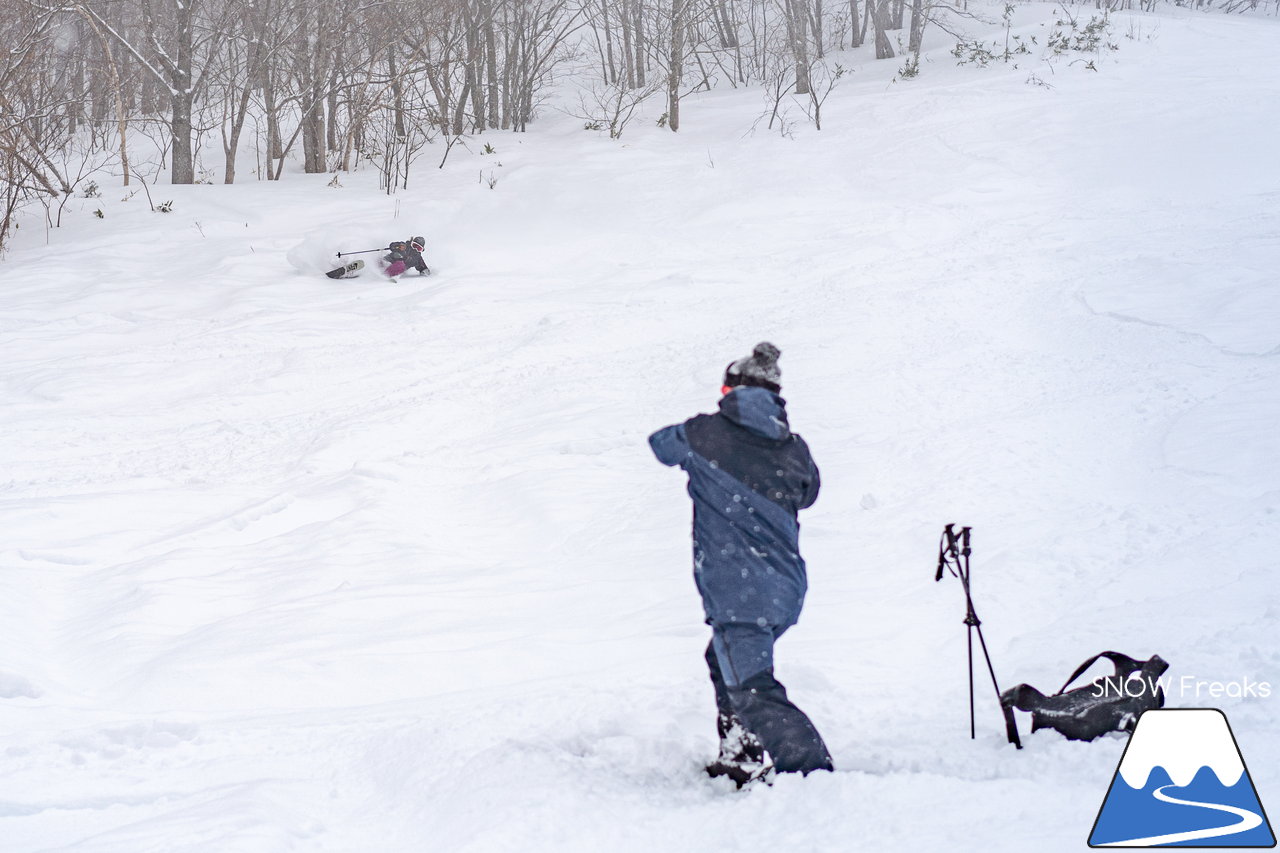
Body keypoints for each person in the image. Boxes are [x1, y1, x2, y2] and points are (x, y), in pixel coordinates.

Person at [649, 342, 833, 787]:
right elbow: (809, 494)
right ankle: (741, 754)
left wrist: (709, 445)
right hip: (784, 588)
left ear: (729, 390)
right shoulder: (794, 448)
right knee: (724, 661)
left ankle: (812, 776)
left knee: (752, 686)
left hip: (739, 590)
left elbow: (660, 446)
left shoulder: (704, 434)